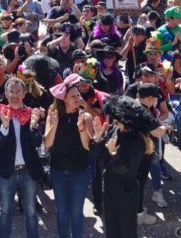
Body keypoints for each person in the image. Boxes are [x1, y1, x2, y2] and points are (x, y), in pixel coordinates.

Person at [93, 95, 156, 238]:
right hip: (110, 187)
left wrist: (113, 153)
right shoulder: (115, 130)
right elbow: (102, 159)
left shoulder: (137, 140)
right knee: (112, 229)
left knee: (126, 231)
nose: (114, 121)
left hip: (126, 191)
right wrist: (98, 139)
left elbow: (126, 169)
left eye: (117, 118)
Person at [0, 76, 43, 238]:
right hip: (7, 171)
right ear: (6, 94)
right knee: (5, 211)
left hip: (28, 170)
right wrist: (4, 125)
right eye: (11, 91)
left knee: (31, 211)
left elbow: (37, 142)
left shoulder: (31, 113)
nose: (14, 95)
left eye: (18, 91)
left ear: (24, 93)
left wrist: (34, 126)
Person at [45, 74, 92, 238]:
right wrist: (54, 124)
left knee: (77, 212)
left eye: (78, 95)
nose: (77, 98)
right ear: (63, 99)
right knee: (62, 212)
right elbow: (48, 143)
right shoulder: (53, 115)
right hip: (58, 170)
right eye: (73, 96)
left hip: (79, 171)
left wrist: (81, 128)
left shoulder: (85, 116)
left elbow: (87, 146)